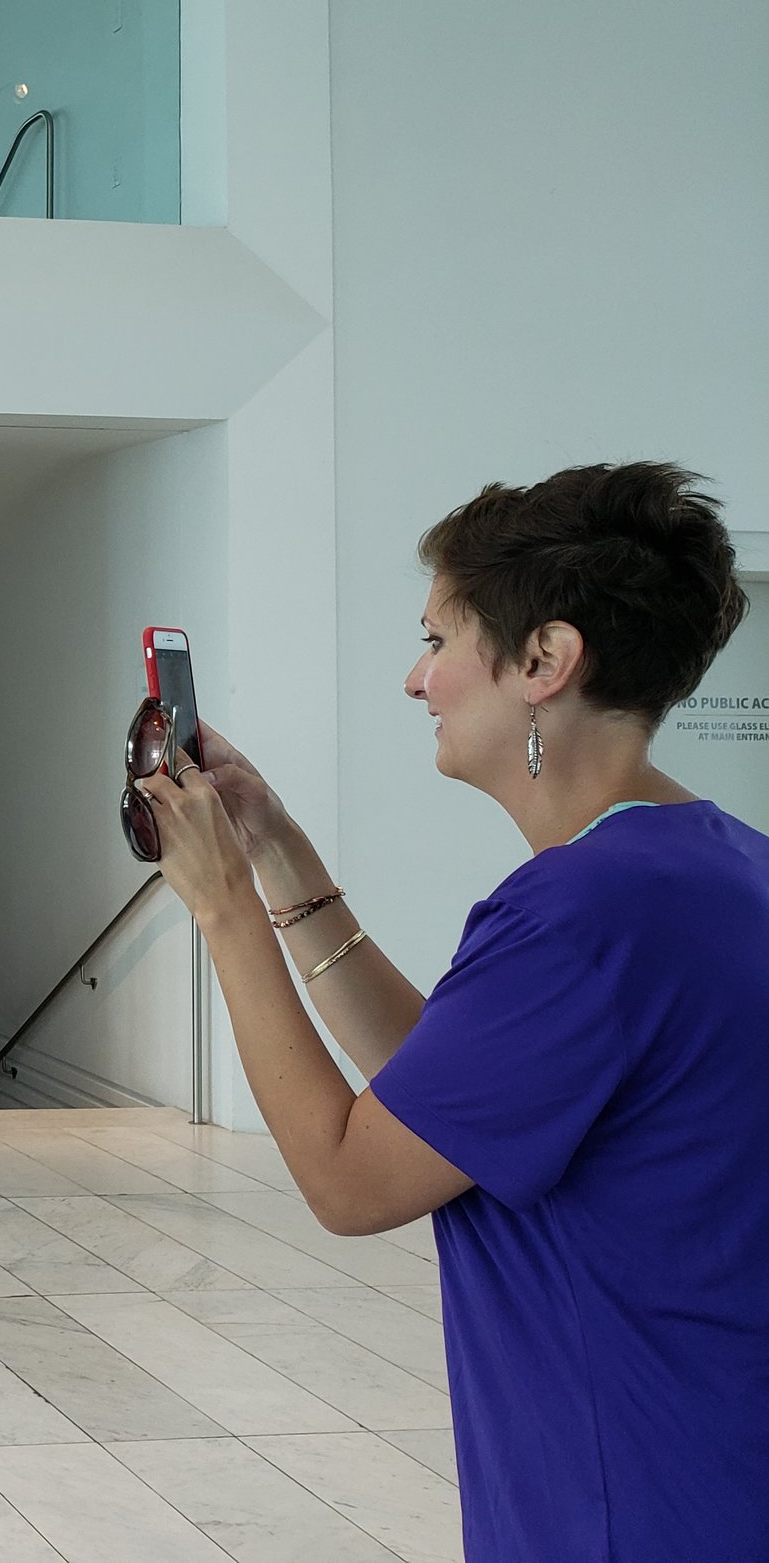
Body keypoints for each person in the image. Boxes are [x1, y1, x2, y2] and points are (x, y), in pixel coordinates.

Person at [132, 462, 768, 1562]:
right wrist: (274, 847)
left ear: (543, 661)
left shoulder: (581, 911)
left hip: (625, 1496)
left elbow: (349, 1179)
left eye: (436, 639)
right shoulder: (710, 867)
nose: (415, 679)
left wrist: (222, 907)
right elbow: (454, 1096)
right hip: (712, 1453)